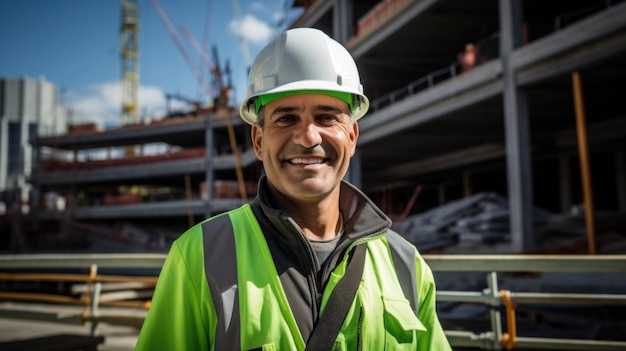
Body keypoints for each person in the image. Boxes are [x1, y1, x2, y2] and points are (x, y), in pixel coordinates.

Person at [135, 27, 451, 350]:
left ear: (352, 136)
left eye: (327, 117)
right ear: (258, 141)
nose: (309, 137)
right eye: (286, 119)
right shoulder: (198, 260)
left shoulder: (406, 266)